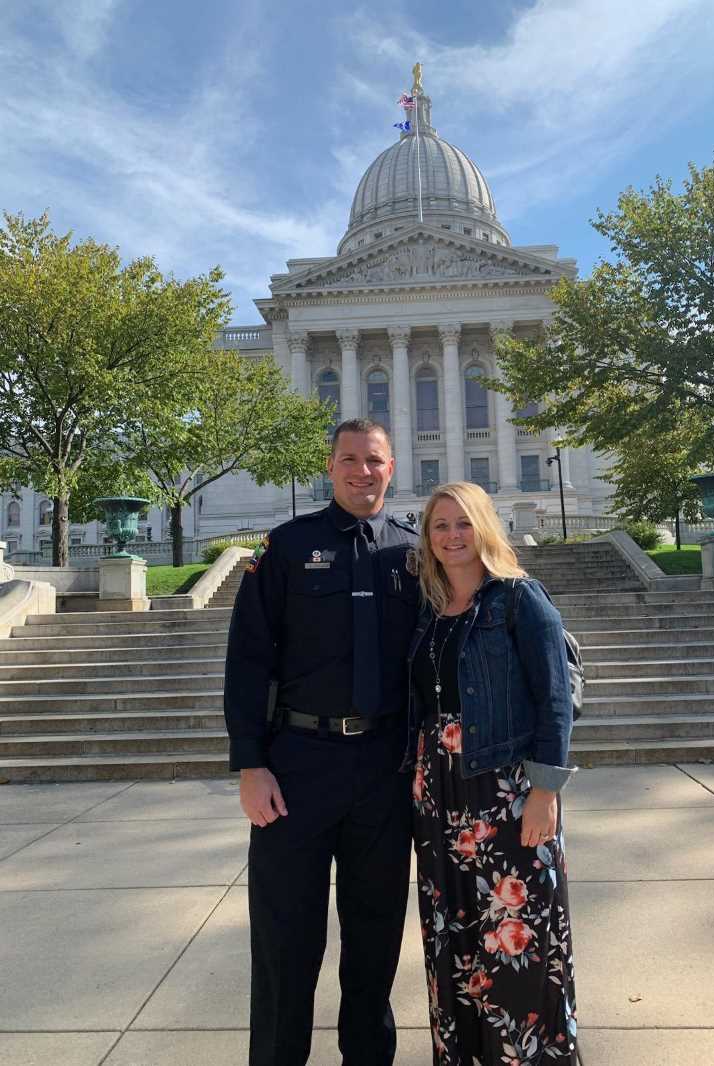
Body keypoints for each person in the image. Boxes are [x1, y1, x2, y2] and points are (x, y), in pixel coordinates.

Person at [224, 418, 420, 1066]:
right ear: (330, 467)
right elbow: (248, 660)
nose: (362, 471)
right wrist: (251, 764)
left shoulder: (416, 554)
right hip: (298, 766)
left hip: (385, 769)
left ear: (392, 467)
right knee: (285, 943)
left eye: (374, 460)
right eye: (349, 460)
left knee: (374, 942)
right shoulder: (284, 547)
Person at [404, 481, 578, 1064]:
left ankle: (526, 1055)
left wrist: (545, 790)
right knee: (453, 933)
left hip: (506, 787)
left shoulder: (519, 598)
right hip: (440, 791)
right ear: (428, 538)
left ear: (484, 526)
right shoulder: (429, 608)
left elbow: (554, 697)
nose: (452, 536)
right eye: (439, 526)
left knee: (517, 933)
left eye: (462, 523)